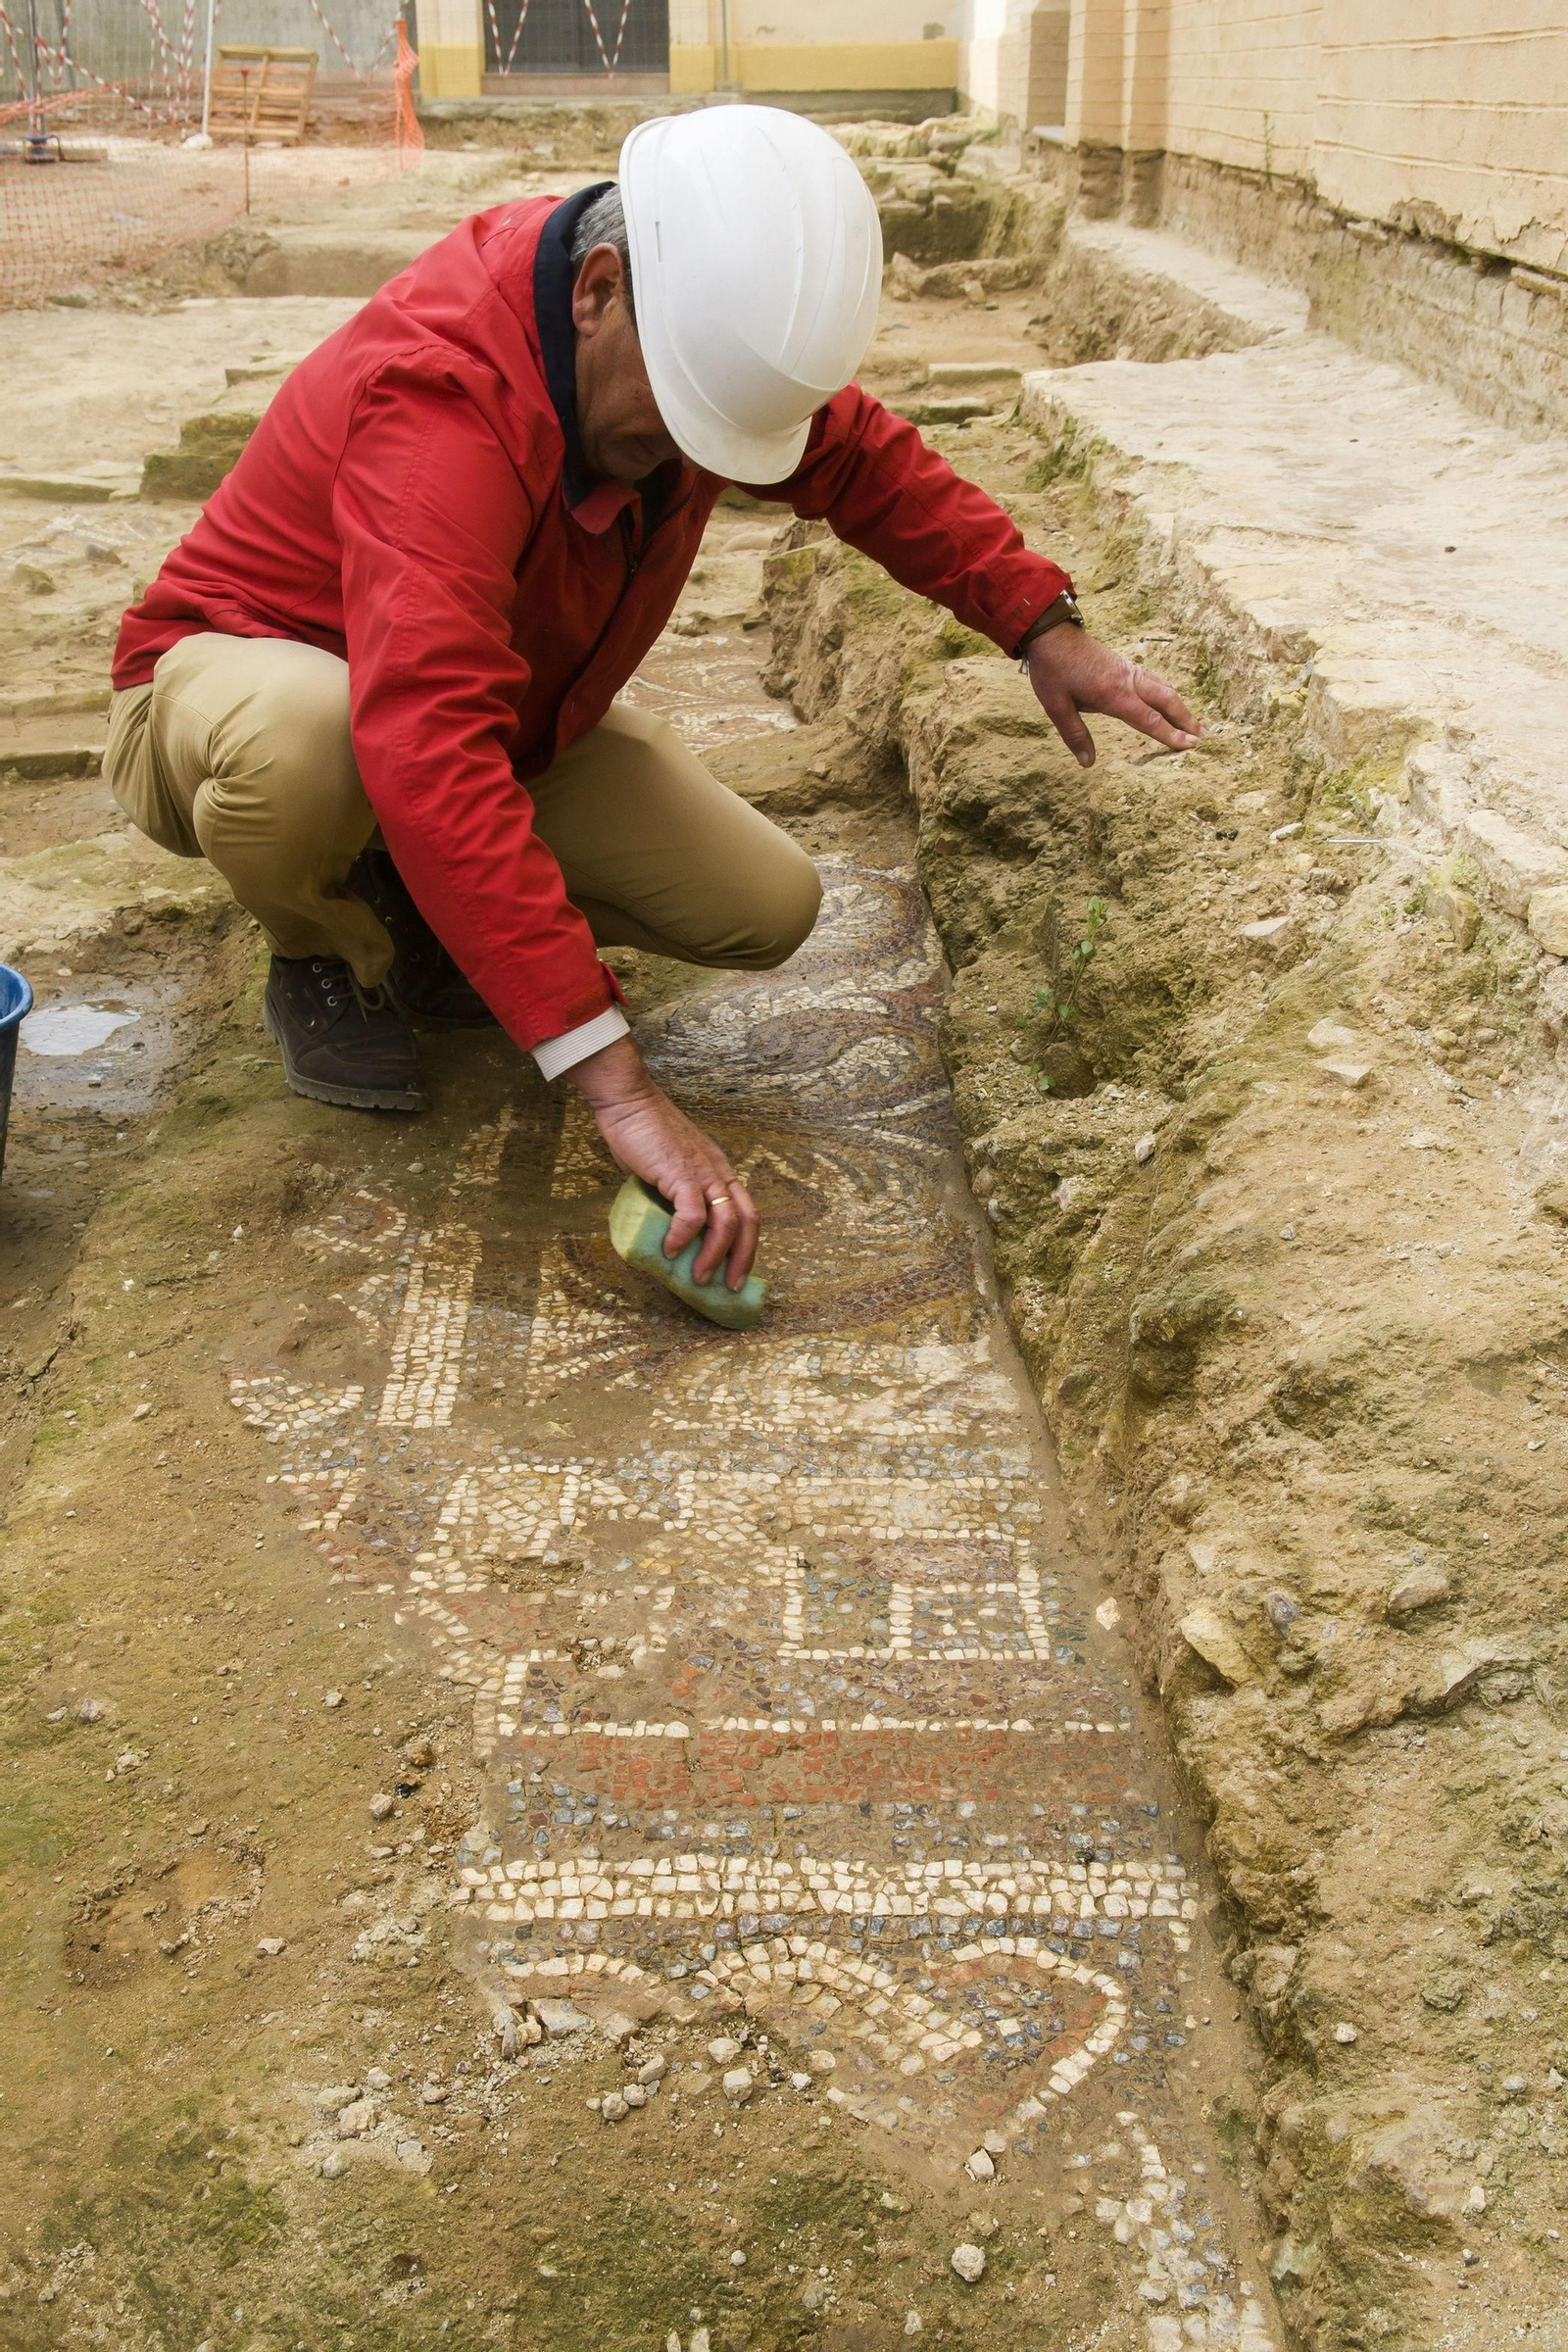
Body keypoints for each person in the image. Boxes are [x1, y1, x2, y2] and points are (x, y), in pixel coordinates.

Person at [106, 105, 1197, 1296]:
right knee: (314, 744)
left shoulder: (692, 330)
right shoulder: (445, 394)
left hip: (501, 714)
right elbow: (423, 736)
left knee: (764, 906)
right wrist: (616, 1085)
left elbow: (862, 459)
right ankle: (318, 939)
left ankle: (425, 902)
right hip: (239, 690)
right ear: (597, 291)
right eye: (679, 419)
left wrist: (1042, 624)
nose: (693, 456)